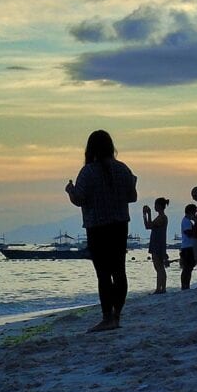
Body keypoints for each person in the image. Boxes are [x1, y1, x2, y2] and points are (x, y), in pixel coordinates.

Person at [65, 129, 138, 333]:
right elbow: (132, 197)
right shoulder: (123, 169)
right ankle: (116, 316)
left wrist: (70, 190)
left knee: (103, 274)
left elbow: (79, 200)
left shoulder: (88, 172)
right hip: (120, 225)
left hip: (97, 227)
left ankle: (107, 318)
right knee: (119, 271)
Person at [142, 197, 170, 295]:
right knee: (159, 267)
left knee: (159, 267)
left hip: (158, 244)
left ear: (159, 206)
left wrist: (148, 214)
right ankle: (161, 288)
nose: (154, 207)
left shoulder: (162, 218)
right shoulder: (160, 217)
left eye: (156, 205)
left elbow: (149, 225)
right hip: (156, 243)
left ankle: (161, 288)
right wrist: (145, 215)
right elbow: (147, 226)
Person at [178, 203, 197, 290]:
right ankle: (185, 286)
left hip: (188, 247)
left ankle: (186, 285)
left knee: (188, 268)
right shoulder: (186, 221)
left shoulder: (187, 221)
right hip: (187, 247)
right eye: (194, 212)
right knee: (187, 268)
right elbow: (188, 233)